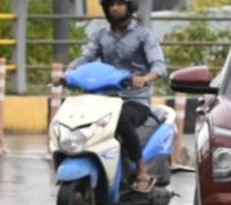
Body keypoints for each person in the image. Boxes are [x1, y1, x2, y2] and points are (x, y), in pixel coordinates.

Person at [61, 0, 166, 192]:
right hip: (105, 98)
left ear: (130, 6)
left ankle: (142, 170)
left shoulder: (144, 35)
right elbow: (86, 58)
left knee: (121, 119)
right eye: (110, 4)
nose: (114, 8)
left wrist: (144, 78)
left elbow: (159, 66)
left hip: (135, 99)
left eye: (119, 3)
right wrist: (68, 73)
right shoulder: (101, 35)